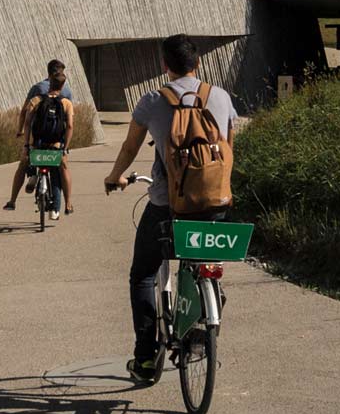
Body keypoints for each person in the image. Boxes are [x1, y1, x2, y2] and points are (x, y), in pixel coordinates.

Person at [101, 34, 240, 387]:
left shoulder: (153, 101)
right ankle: (200, 324)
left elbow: (131, 146)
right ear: (197, 63)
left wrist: (114, 177)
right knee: (203, 265)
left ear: (165, 65)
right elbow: (229, 148)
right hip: (215, 205)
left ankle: (146, 358)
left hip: (168, 207)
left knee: (143, 274)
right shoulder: (220, 97)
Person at [6, 59, 83, 212]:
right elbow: (70, 124)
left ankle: (12, 200)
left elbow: (25, 115)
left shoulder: (37, 90)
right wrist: (65, 147)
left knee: (23, 163)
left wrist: (21, 132)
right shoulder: (66, 93)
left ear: (48, 72)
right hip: (56, 141)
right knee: (64, 168)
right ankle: (67, 204)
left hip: (37, 139)